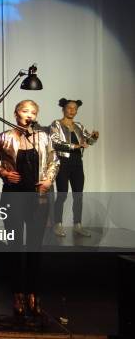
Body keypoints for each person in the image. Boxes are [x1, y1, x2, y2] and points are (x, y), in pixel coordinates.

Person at [0, 100, 59, 318]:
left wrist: (48, 181)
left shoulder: (43, 137)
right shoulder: (5, 137)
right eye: (26, 111)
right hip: (12, 197)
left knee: (35, 247)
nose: (30, 114)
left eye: (34, 112)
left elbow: (54, 161)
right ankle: (17, 294)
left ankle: (34, 294)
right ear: (16, 113)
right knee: (15, 246)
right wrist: (5, 174)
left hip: (38, 199)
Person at [50, 98, 99, 237]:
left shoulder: (79, 125)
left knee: (78, 196)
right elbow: (55, 143)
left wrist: (94, 137)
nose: (72, 110)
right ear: (63, 109)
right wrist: (75, 146)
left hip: (77, 163)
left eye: (75, 108)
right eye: (70, 108)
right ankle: (57, 224)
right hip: (63, 163)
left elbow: (88, 141)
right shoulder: (56, 124)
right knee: (62, 194)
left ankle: (78, 225)